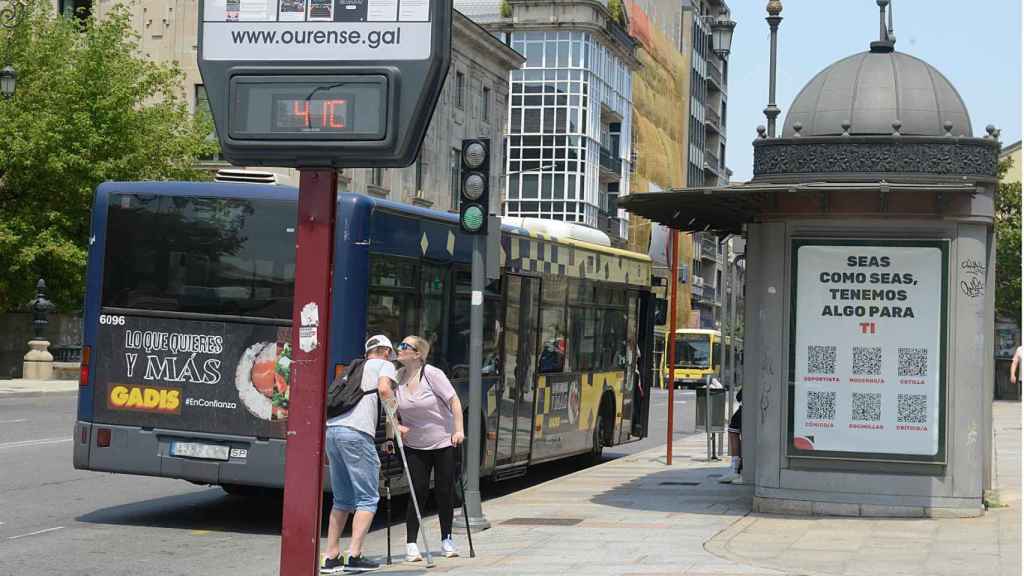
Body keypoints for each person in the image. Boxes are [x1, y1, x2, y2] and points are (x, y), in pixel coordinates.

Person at [321, 335, 398, 574]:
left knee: (342, 500)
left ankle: (330, 557)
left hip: (333, 431)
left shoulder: (354, 367)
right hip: (356, 434)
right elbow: (385, 389)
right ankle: (354, 556)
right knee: (367, 498)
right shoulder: (385, 365)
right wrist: (395, 420)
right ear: (385, 351)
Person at [394, 335, 465, 562]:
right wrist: (396, 427)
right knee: (417, 492)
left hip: (443, 441)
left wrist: (458, 430)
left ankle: (446, 539)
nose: (400, 348)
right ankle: (411, 544)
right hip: (414, 444)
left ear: (418, 354)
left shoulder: (432, 374)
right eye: (400, 345)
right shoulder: (397, 378)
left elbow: (454, 402)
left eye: (405, 346)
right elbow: (391, 410)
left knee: (444, 491)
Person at [720, 388, 743, 484]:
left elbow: (739, 397)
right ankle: (737, 468)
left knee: (734, 433)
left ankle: (735, 468)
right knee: (737, 433)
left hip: (745, 411)